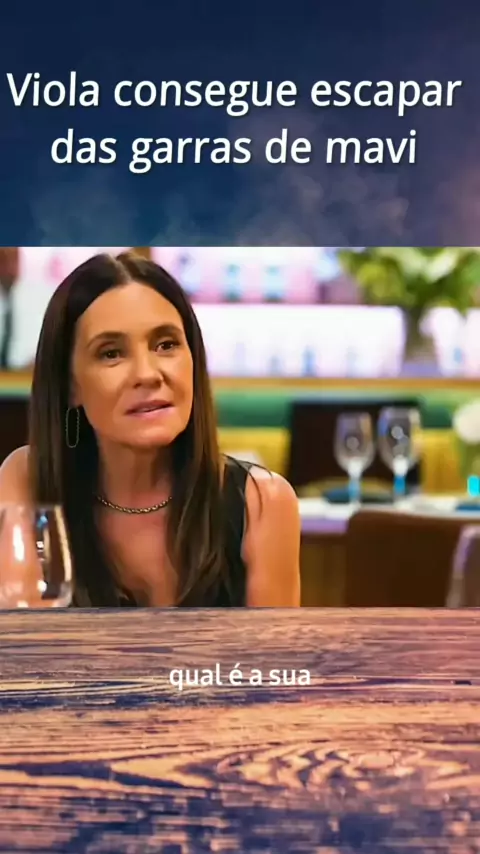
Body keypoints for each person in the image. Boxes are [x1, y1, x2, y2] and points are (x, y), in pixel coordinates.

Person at [0, 251, 301, 607]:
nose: (147, 374)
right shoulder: (29, 479)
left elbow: (272, 647)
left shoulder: (262, 503)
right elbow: (22, 635)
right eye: (111, 353)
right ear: (70, 386)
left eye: (166, 345)